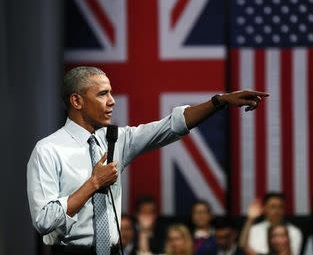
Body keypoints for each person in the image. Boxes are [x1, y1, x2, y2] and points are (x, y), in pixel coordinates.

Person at [27, 66, 268, 254]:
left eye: (111, 92)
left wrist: (220, 101)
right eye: (102, 94)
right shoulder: (48, 149)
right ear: (77, 101)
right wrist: (93, 184)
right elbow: (44, 220)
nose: (112, 101)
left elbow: (171, 125)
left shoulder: (116, 139)